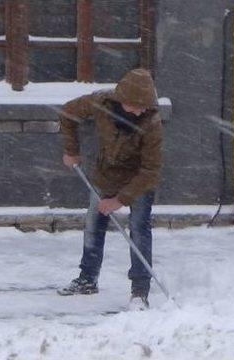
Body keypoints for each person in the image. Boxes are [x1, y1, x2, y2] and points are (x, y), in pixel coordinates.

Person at [57, 68, 163, 309]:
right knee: (93, 225)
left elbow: (151, 170)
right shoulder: (100, 103)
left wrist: (120, 200)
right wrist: (71, 150)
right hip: (105, 175)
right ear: (123, 100)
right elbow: (67, 113)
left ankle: (140, 290)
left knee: (139, 230)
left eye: (145, 106)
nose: (141, 110)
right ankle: (87, 279)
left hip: (139, 180)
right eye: (136, 106)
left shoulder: (152, 122)